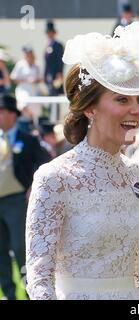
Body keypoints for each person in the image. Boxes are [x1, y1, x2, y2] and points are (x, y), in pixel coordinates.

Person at [25, 21, 139, 300]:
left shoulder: (137, 174)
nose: (136, 110)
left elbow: (138, 267)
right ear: (90, 109)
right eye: (122, 99)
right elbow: (38, 278)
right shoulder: (55, 177)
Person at [0, 94, 51, 300]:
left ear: (12, 115)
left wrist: (33, 186)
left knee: (21, 248)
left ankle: (32, 292)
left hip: (16, 201)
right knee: (0, 251)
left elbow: (46, 163)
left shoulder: (27, 138)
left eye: (2, 112)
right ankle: (10, 294)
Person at [44, 20, 64, 96]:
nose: (49, 34)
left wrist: (59, 73)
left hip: (55, 75)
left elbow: (60, 60)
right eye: (48, 32)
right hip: (49, 75)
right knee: (50, 94)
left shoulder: (58, 45)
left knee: (55, 93)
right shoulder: (47, 45)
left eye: (51, 32)